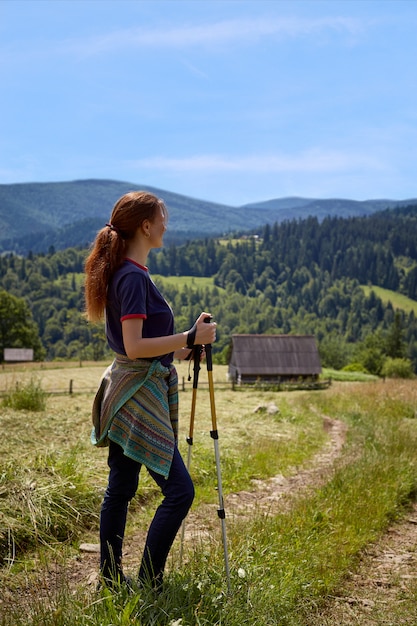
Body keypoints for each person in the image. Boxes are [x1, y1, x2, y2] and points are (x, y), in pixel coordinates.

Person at [84, 190, 216, 591]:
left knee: (121, 488)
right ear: (145, 225)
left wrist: (186, 343)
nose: (165, 224)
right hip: (138, 394)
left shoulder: (126, 272)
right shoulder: (133, 278)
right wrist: (189, 336)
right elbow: (136, 346)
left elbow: (147, 344)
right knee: (180, 491)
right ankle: (149, 581)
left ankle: (110, 579)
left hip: (129, 389)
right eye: (162, 217)